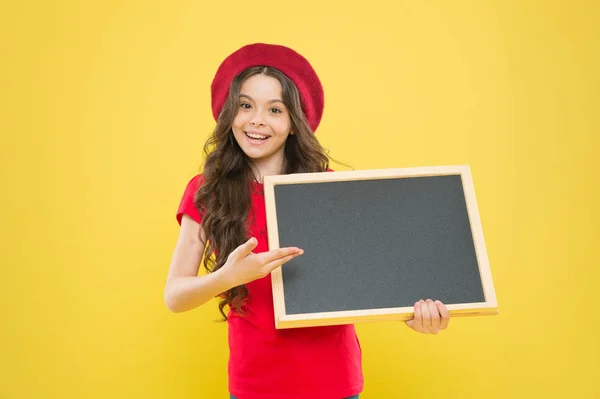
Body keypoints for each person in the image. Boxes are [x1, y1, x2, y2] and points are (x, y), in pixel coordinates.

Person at [164, 43, 450, 399]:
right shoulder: (206, 191)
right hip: (255, 386)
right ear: (229, 113)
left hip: (333, 382)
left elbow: (374, 275)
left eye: (275, 110)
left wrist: (414, 312)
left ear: (294, 123)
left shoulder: (327, 188)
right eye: (246, 105)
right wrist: (228, 277)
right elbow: (175, 296)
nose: (257, 120)